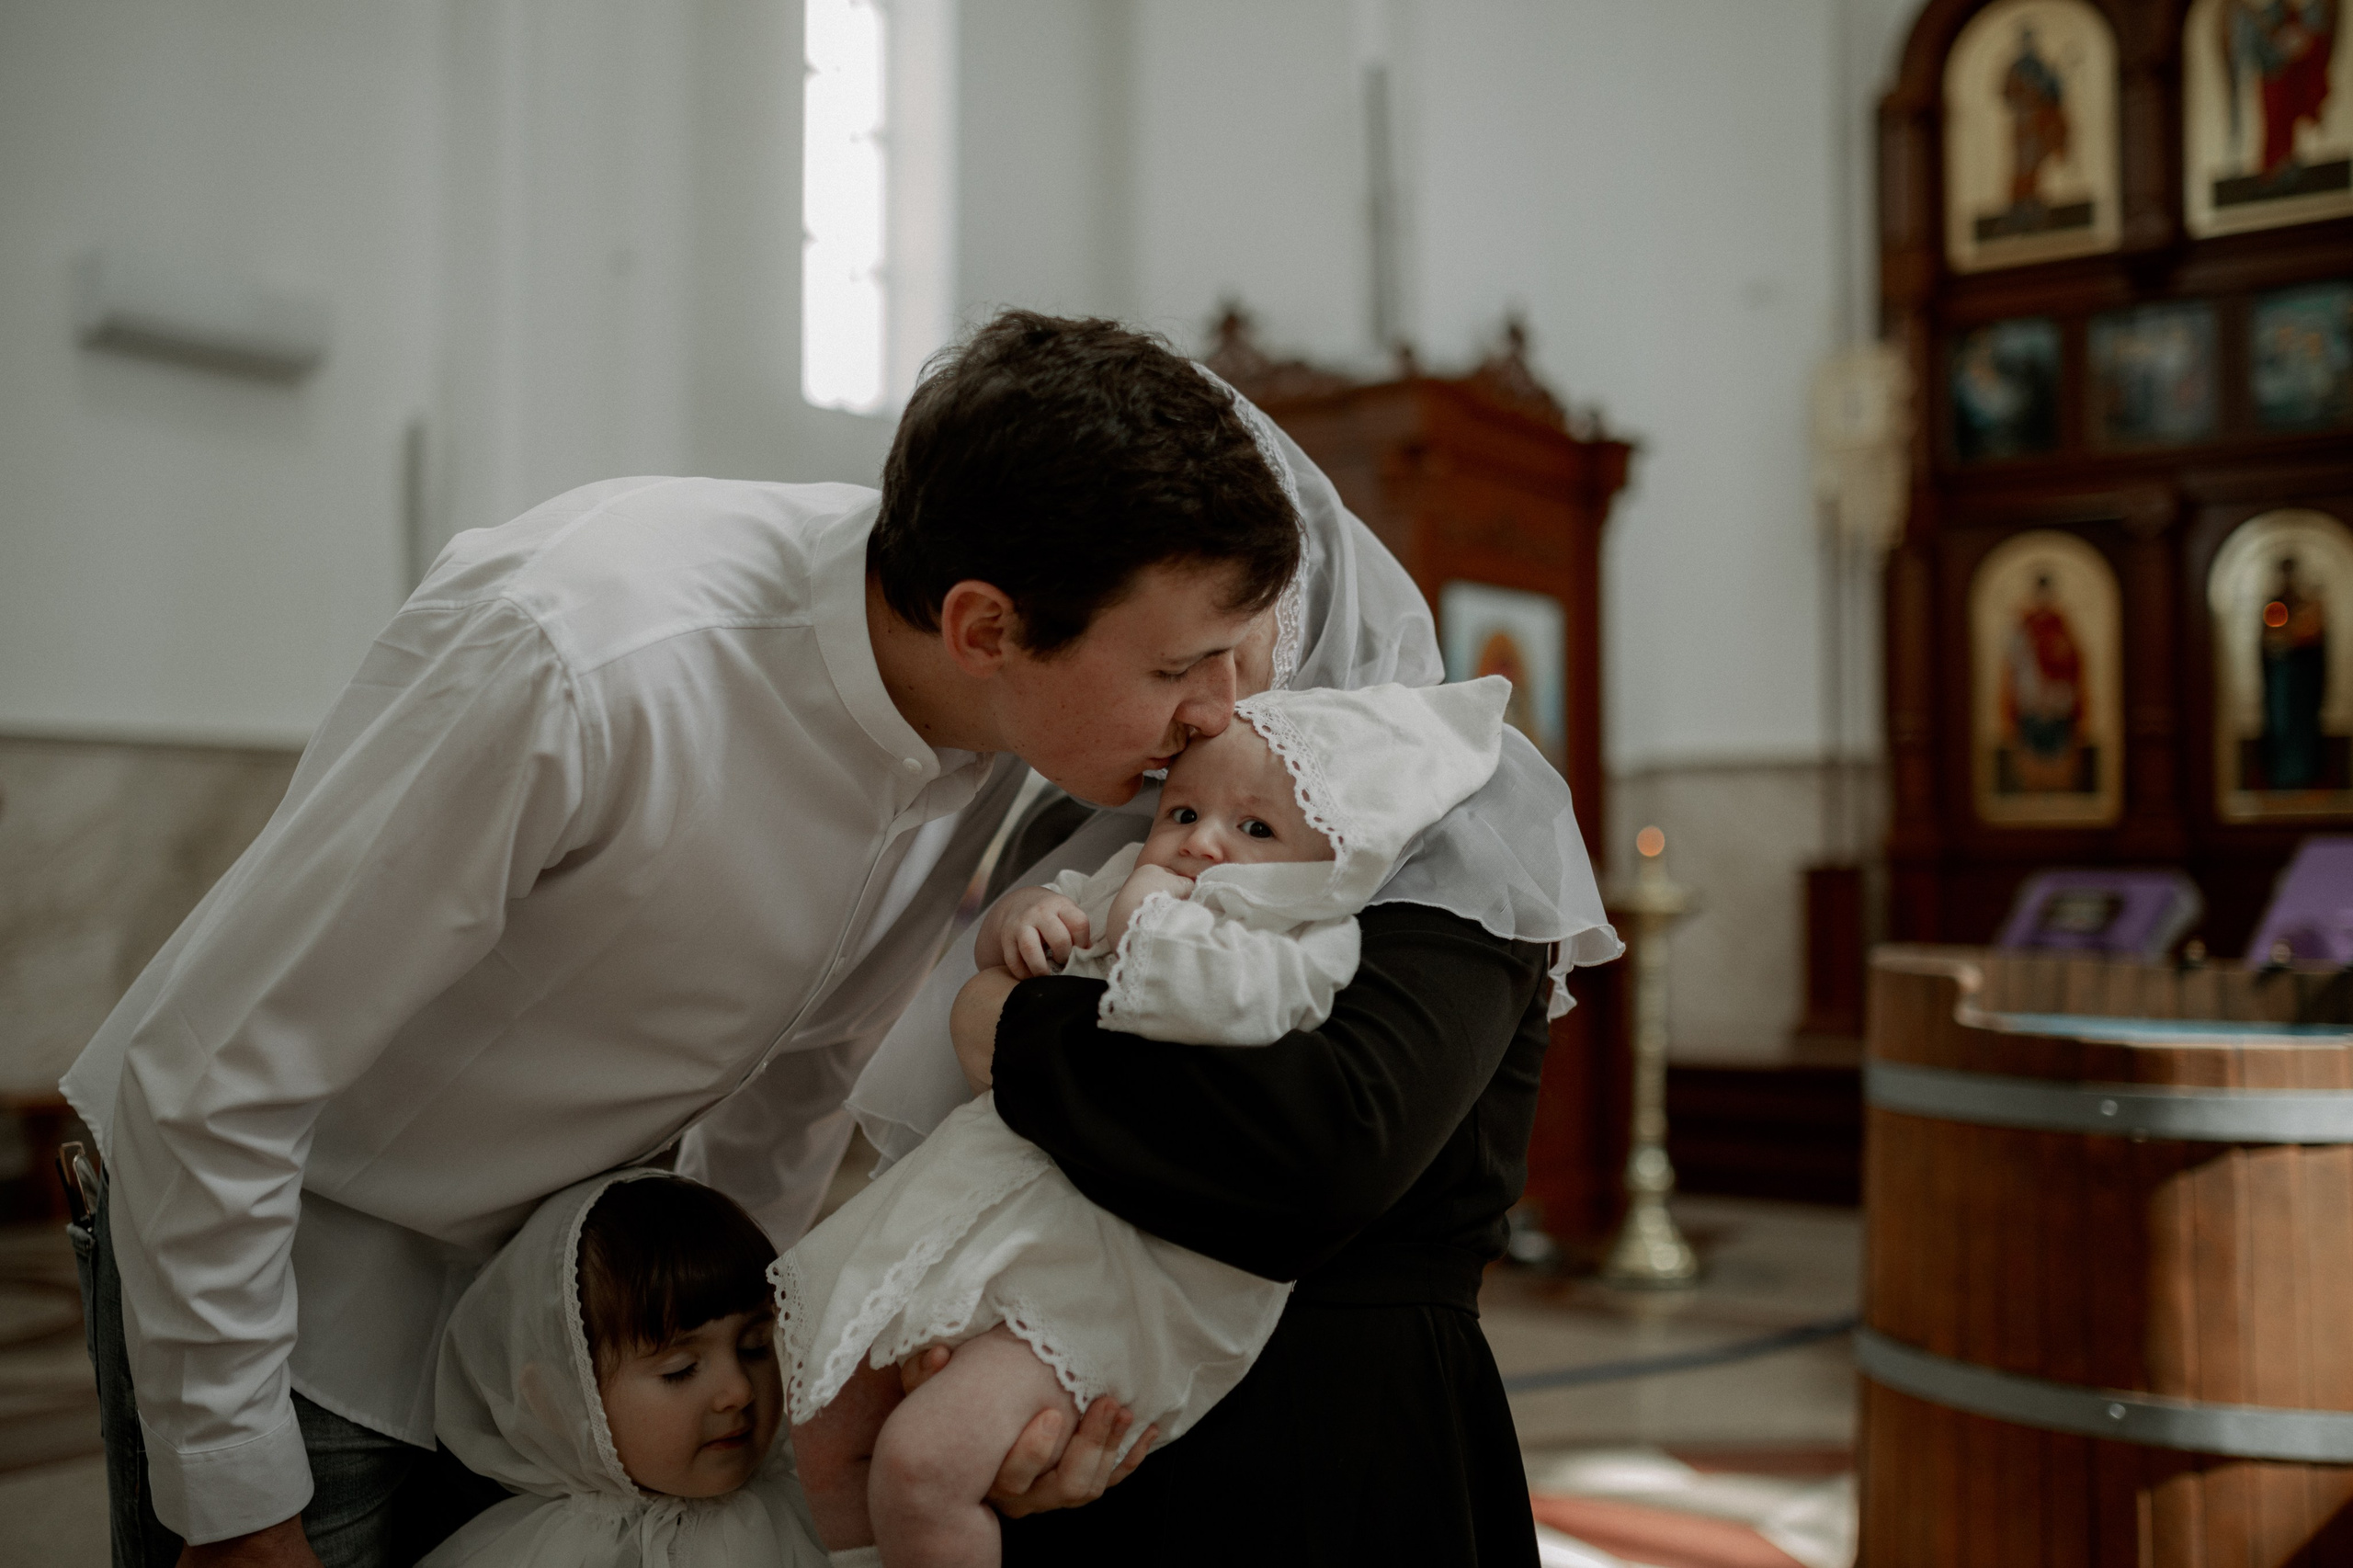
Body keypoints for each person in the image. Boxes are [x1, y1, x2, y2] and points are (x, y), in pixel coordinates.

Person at [60, 312, 1298, 1568]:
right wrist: (236, 1509)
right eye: (1184, 665)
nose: (1217, 712)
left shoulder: (996, 695)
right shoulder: (586, 656)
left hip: (578, 1299)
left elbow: (804, 1075)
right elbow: (216, 1071)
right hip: (293, 1259)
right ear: (984, 627)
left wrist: (741, 1365)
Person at [842, 381, 1623, 1565]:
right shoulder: (1112, 811)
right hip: (1081, 1410)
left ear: (1290, 598)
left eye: (1229, 638)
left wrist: (1011, 1033)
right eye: (1176, 654)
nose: (1204, 704)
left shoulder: (1450, 807)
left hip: (1332, 1433)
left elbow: (1323, 1148)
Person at [779, 679, 1510, 1566]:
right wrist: (1025, 918)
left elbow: (1223, 1030)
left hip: (1129, 1270)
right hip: (1013, 1204)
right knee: (817, 1412)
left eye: (1255, 829)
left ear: (1331, 861)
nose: (1202, 840)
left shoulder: (1304, 934)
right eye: (1184, 810)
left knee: (924, 1459)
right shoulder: (1126, 866)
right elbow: (1013, 951)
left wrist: (1126, 930)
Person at [421, 1172, 826, 1567]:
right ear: (556, 1403)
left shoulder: (822, 1514)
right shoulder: (541, 1555)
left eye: (754, 1347)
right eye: (680, 1370)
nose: (739, 1390)